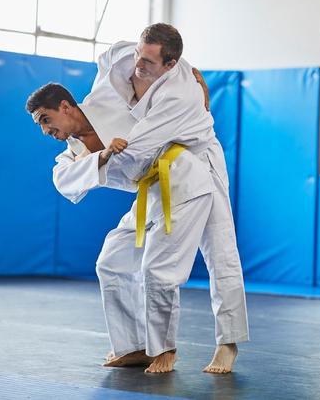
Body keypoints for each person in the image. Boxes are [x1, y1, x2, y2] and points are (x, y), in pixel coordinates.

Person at [84, 23, 249, 374]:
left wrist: (91, 160)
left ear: (170, 65)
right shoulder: (123, 55)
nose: (138, 64)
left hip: (199, 162)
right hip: (163, 170)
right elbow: (105, 61)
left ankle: (228, 342)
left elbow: (135, 150)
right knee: (114, 260)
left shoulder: (178, 96)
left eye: (148, 61)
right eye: (138, 55)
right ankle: (134, 345)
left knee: (221, 251)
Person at [26, 82, 217, 373]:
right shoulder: (74, 151)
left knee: (157, 269)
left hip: (183, 180)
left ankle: (164, 350)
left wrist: (190, 75)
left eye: (45, 119)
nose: (44, 130)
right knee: (111, 262)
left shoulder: (108, 99)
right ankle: (133, 347)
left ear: (65, 106)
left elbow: (137, 66)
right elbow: (62, 180)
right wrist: (101, 156)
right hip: (150, 194)